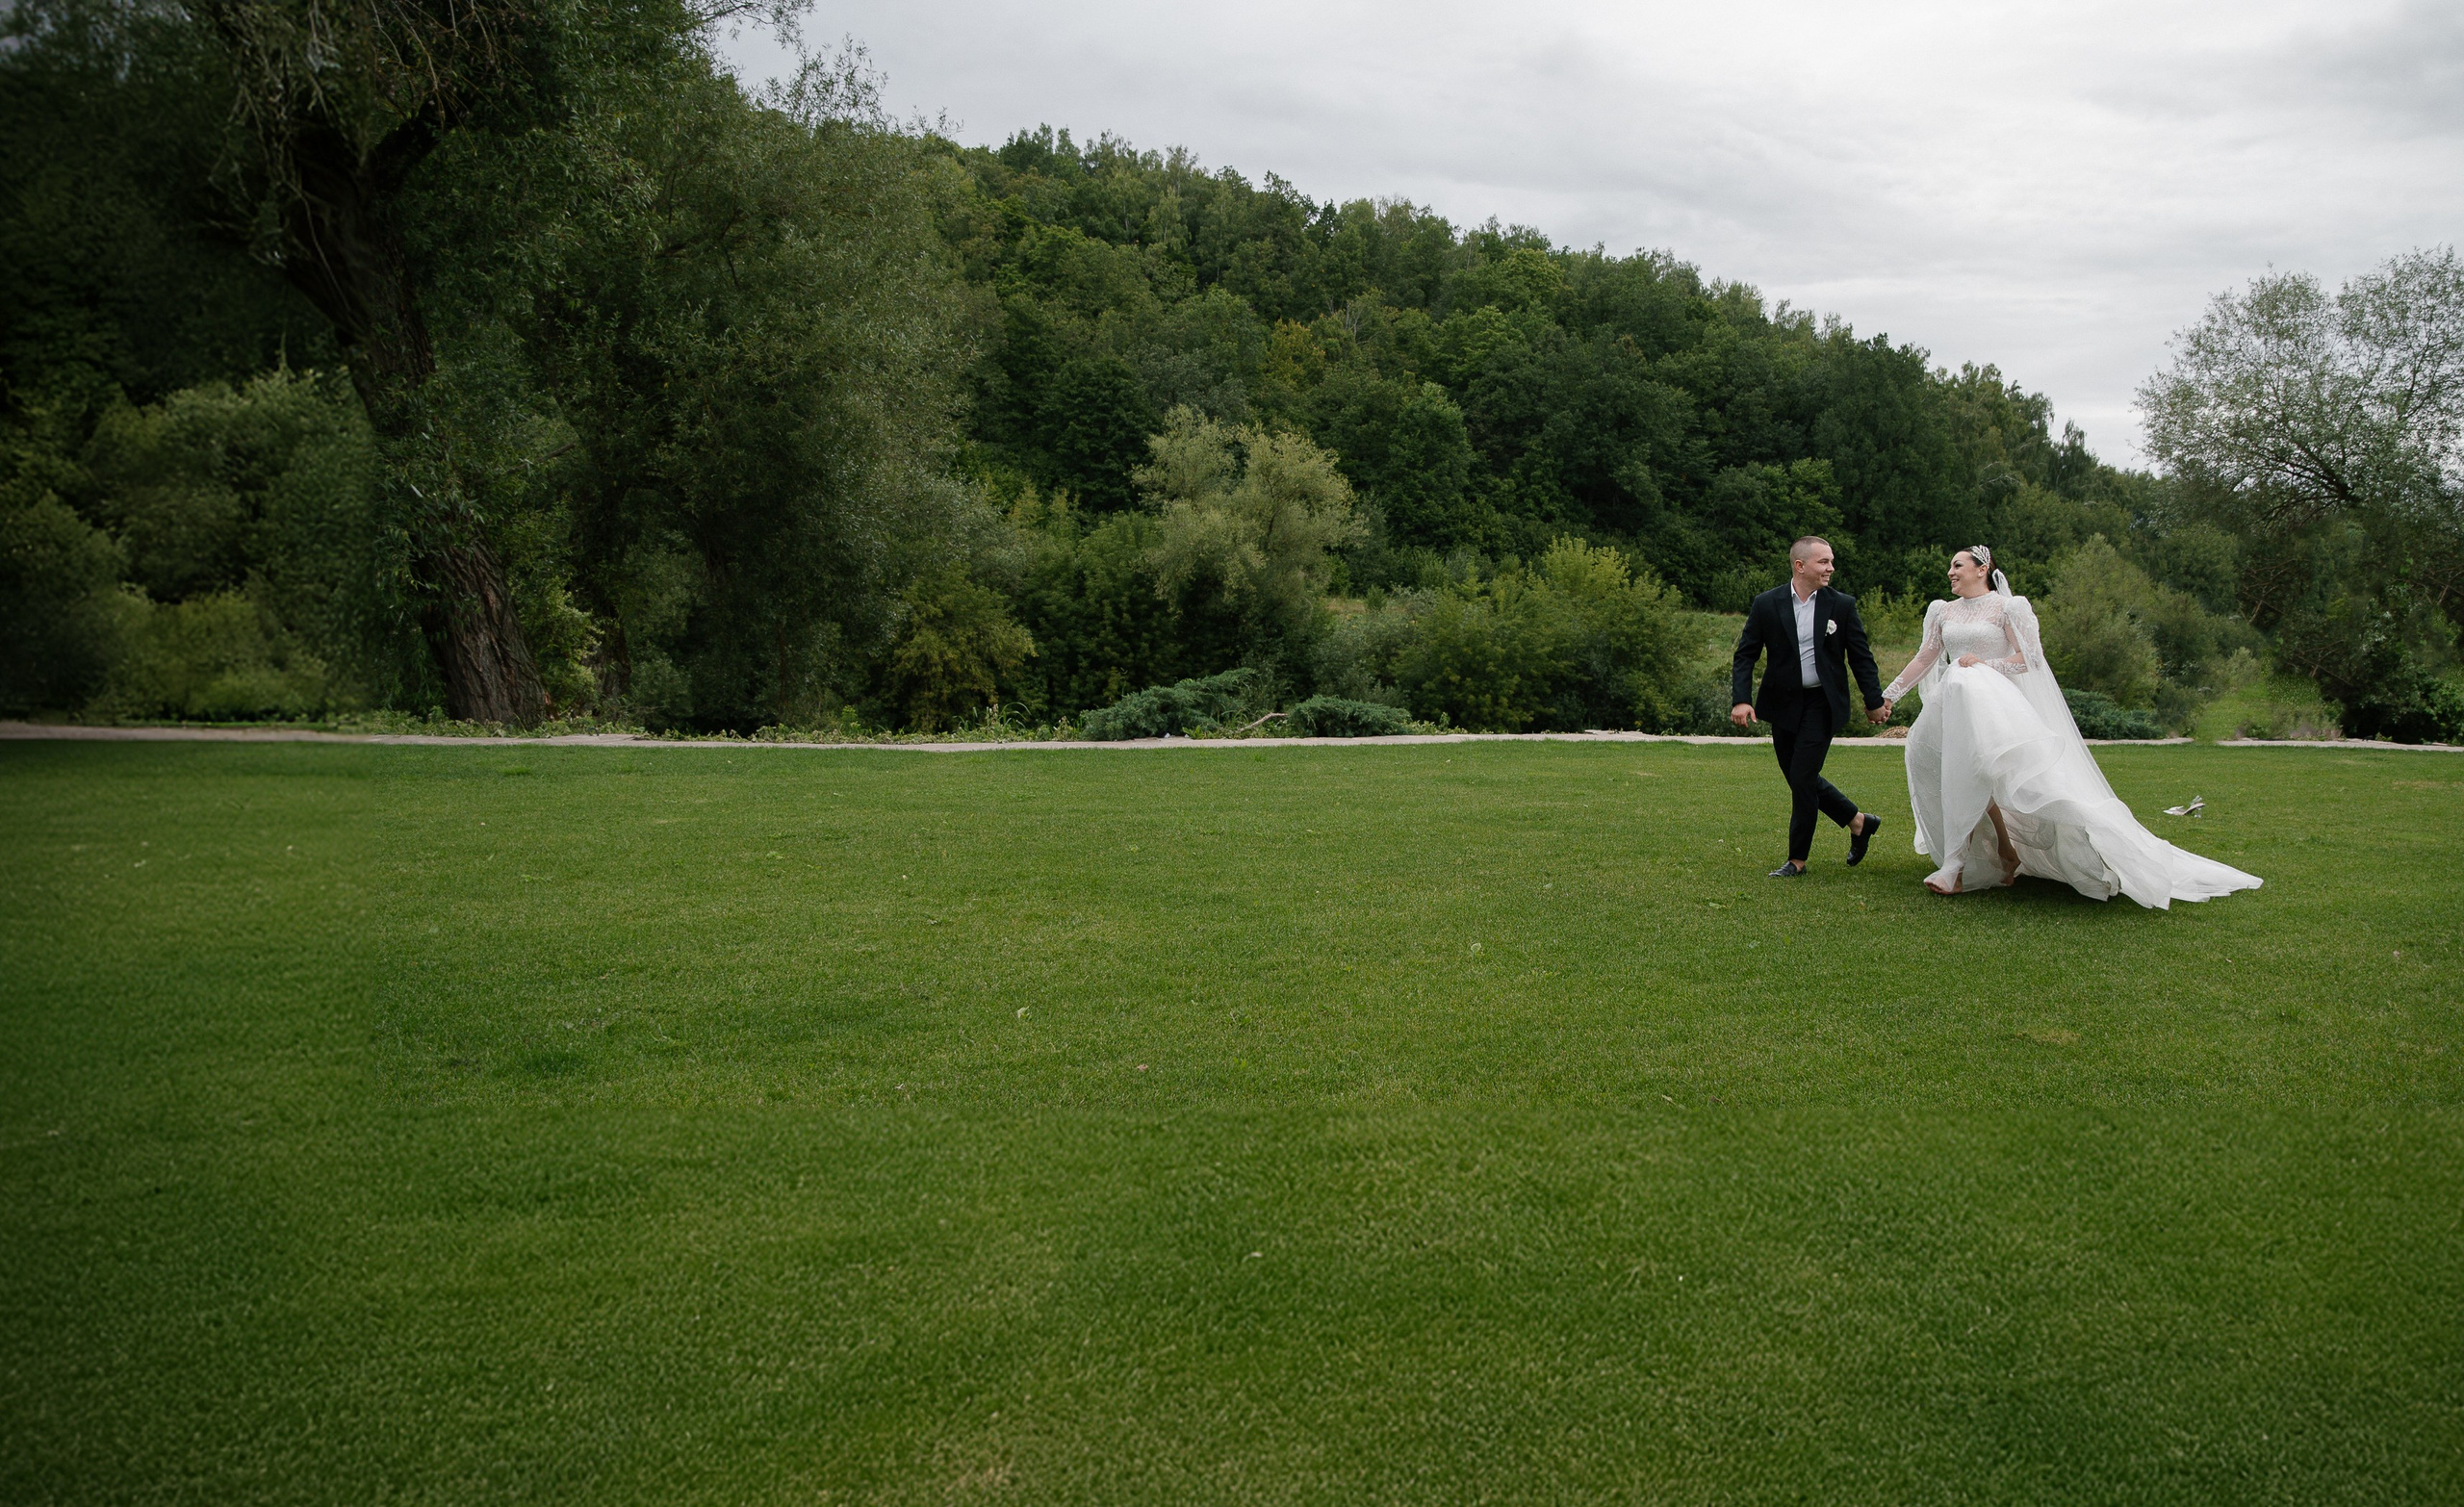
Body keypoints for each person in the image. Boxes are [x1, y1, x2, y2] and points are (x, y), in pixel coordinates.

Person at [1869, 546, 2261, 907]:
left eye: (1957, 565)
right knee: (1948, 767)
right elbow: (1925, 658)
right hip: (1954, 705)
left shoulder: (2008, 608)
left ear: (1982, 569)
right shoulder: (1942, 611)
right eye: (1951, 567)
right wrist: (1888, 696)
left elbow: (2030, 659)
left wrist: (1986, 664)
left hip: (1994, 708)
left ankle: (1956, 866)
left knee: (1978, 773)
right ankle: (2004, 852)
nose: (1950, 572)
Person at [1731, 536, 1888, 878]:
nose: (1831, 568)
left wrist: (1874, 702)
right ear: (1800, 566)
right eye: (1823, 562)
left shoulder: (1842, 605)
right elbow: (1745, 654)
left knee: (1802, 778)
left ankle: (1797, 860)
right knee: (1799, 777)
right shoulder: (1766, 603)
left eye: (1831, 561)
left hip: (1822, 703)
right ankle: (1858, 821)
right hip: (1782, 704)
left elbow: (1861, 658)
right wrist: (1741, 699)